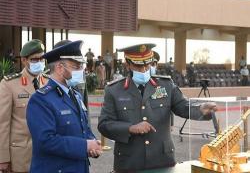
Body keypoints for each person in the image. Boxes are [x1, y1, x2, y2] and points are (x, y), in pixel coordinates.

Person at [98, 43, 217, 173]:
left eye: (147, 65)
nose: (144, 70)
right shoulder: (114, 90)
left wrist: (200, 109)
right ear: (127, 64)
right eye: (138, 66)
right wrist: (130, 128)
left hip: (162, 160)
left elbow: (183, 106)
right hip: (129, 162)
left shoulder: (166, 85)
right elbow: (104, 124)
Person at [26, 40, 102, 173]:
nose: (81, 71)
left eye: (81, 66)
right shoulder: (40, 99)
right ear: (60, 68)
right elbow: (46, 141)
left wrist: (92, 143)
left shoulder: (75, 95)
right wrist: (84, 146)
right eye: (76, 66)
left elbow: (84, 128)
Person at [0, 39, 48, 173]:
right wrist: (3, 158)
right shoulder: (9, 84)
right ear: (24, 60)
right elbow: (2, 123)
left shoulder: (49, 83)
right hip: (21, 157)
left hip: (47, 155)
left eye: (42, 59)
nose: (39, 62)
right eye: (34, 59)